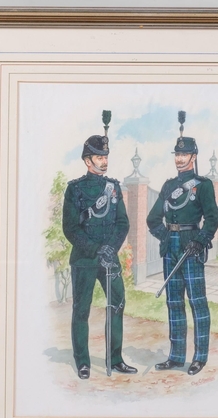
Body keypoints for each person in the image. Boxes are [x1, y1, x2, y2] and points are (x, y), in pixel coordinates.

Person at [62, 110, 137, 380]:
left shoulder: (113, 188)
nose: (104, 162)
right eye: (99, 157)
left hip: (109, 257)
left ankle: (115, 359)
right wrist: (96, 249)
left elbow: (122, 223)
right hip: (84, 259)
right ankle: (82, 361)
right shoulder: (75, 189)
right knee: (81, 310)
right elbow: (70, 228)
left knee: (117, 304)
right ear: (87, 160)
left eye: (106, 157)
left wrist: (110, 249)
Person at [147, 111, 218, 376]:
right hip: (172, 246)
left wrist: (200, 241)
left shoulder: (203, 185)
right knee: (174, 302)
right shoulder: (168, 186)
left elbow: (212, 219)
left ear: (193, 157)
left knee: (197, 302)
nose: (179, 159)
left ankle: (200, 357)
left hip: (192, 245)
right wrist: (166, 237)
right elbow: (152, 219)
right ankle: (176, 356)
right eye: (177, 154)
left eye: (184, 154)